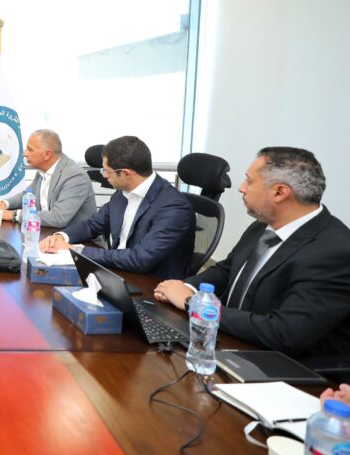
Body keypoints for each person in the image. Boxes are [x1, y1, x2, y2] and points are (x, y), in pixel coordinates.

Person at [155, 147, 350, 360]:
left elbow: (284, 333)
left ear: (280, 192)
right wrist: (185, 287)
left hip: (285, 367)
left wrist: (194, 305)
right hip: (231, 343)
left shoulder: (335, 253)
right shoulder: (264, 224)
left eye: (249, 181)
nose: (241, 188)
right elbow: (227, 270)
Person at [39, 135, 195, 279]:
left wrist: (74, 250)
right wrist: (61, 237)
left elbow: (140, 259)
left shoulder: (174, 208)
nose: (104, 176)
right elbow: (92, 225)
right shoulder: (122, 193)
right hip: (117, 272)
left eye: (107, 171)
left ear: (126, 173)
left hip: (151, 284)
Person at [0, 129, 95, 230]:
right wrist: (4, 204)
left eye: (30, 150)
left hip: (80, 241)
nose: (24, 154)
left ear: (47, 154)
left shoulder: (75, 176)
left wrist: (13, 215)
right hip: (48, 233)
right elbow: (27, 195)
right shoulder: (43, 170)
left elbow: (58, 218)